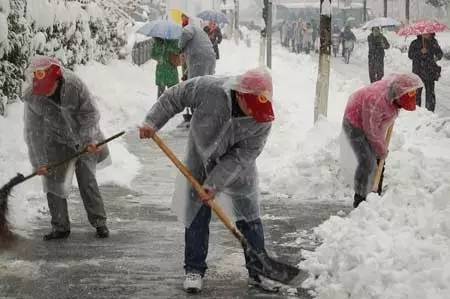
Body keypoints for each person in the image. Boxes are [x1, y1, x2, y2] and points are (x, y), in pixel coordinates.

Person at [139, 68, 277, 293]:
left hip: (236, 169)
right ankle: (194, 269)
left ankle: (258, 271)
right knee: (196, 214)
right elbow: (175, 96)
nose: (254, 114)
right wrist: (152, 121)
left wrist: (214, 184)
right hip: (199, 160)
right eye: (251, 107)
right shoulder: (210, 89)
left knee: (249, 217)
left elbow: (243, 156)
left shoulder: (263, 118)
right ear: (240, 95)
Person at [23, 56, 110, 240]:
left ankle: (99, 222)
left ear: (57, 79)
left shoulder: (74, 85)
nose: (46, 94)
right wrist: (39, 162)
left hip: (83, 136)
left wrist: (88, 140)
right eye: (42, 91)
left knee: (87, 180)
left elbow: (90, 113)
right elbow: (33, 132)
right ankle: (60, 226)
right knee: (53, 181)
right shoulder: (33, 97)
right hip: (55, 140)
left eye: (49, 90)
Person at [342, 73, 423, 208]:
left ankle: (375, 195)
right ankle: (360, 201)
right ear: (398, 93)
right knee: (367, 160)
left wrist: (380, 150)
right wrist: (381, 148)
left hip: (369, 120)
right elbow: (371, 129)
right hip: (354, 122)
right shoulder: (376, 99)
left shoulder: (395, 90)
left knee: (379, 159)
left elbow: (376, 125)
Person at [179, 14, 216, 126]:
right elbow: (192, 66)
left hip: (200, 59)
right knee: (206, 86)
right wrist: (186, 73)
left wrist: (180, 45)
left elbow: (186, 33)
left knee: (194, 87)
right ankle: (205, 114)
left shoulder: (189, 28)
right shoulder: (199, 34)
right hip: (209, 60)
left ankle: (197, 116)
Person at [408, 33, 443, 112]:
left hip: (430, 71)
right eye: (424, 33)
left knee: (430, 93)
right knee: (417, 93)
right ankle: (417, 110)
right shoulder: (415, 43)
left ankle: (430, 111)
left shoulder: (434, 42)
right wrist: (420, 52)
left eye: (428, 33)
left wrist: (437, 57)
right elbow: (410, 55)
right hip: (418, 71)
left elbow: (440, 53)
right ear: (420, 33)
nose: (426, 34)